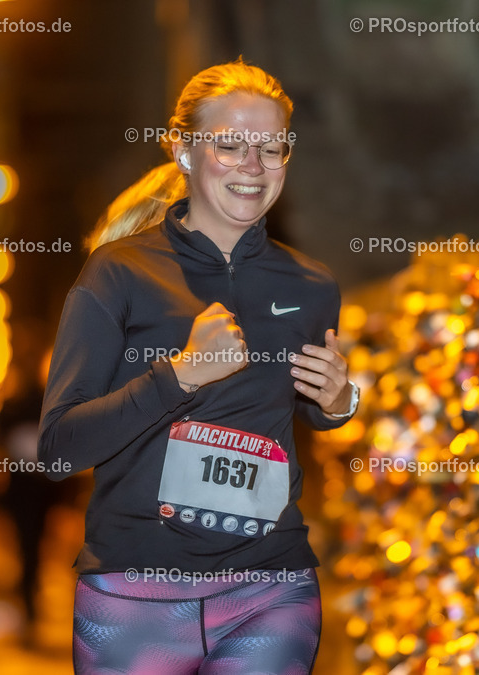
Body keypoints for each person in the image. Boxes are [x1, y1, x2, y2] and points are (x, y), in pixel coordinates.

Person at [38, 60, 358, 674]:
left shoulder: (313, 284)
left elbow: (312, 412)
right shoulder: (118, 274)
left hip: (272, 589)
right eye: (231, 146)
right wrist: (180, 376)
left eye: (272, 148)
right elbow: (57, 449)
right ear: (184, 151)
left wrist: (339, 401)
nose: (254, 167)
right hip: (137, 593)